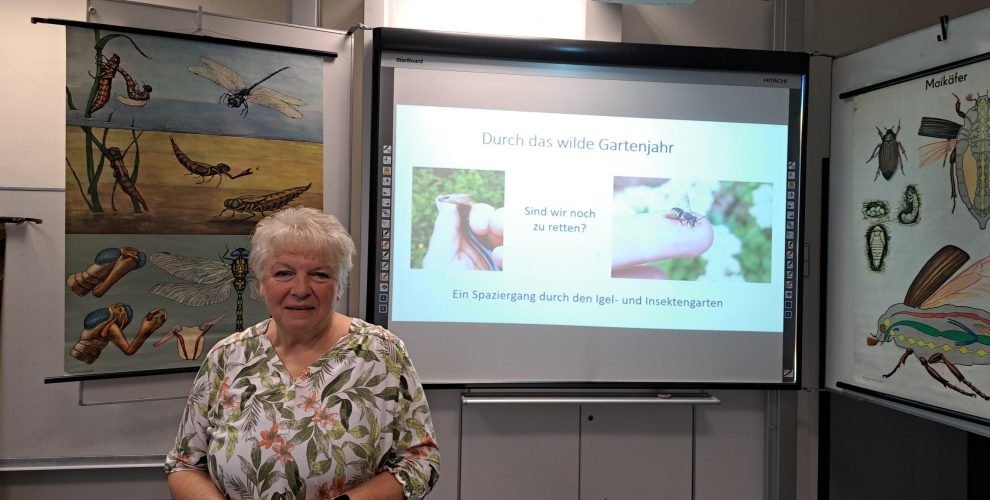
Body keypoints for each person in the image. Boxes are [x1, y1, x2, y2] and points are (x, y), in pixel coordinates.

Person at [165, 207, 440, 500]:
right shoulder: (227, 356)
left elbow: (421, 461)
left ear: (339, 287)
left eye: (319, 275)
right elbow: (184, 465)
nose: (300, 289)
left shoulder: (382, 353)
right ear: (261, 283)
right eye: (284, 273)